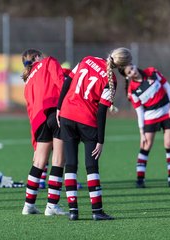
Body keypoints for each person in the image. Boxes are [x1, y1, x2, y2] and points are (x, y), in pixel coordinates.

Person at [57, 47, 132, 221]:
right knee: (91, 167)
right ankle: (97, 211)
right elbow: (101, 111)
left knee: (70, 164)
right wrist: (100, 139)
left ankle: (73, 211)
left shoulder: (87, 58)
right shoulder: (111, 78)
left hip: (67, 115)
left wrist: (59, 107)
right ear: (122, 66)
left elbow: (68, 80)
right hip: (87, 121)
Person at [20, 49, 68, 216]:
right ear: (38, 56)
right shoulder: (49, 61)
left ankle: (28, 205)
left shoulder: (28, 81)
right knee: (58, 160)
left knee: (39, 162)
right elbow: (61, 82)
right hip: (55, 112)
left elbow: (30, 109)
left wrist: (35, 139)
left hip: (38, 120)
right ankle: (52, 205)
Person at [119, 65, 170, 188]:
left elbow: (167, 86)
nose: (132, 72)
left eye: (132, 68)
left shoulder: (151, 72)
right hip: (150, 117)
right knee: (146, 145)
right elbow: (139, 111)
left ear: (135, 66)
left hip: (167, 112)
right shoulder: (132, 90)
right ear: (127, 76)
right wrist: (141, 132)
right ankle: (140, 179)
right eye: (129, 72)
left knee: (169, 143)